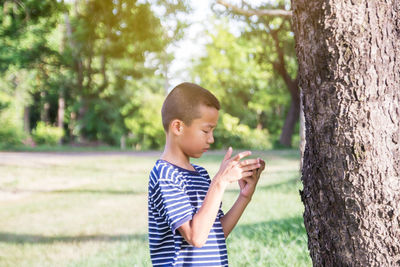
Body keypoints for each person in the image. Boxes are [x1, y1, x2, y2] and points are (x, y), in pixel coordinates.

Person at [148, 82, 266, 266]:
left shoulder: (201, 174)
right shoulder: (166, 175)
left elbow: (216, 234)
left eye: (213, 131)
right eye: (206, 130)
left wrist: (244, 196)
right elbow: (196, 237)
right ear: (178, 127)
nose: (211, 139)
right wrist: (220, 181)